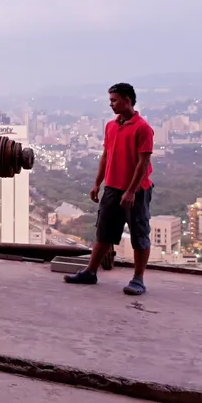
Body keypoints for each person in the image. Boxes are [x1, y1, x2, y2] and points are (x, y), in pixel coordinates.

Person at [65, 82, 154, 296]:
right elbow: (106, 156)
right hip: (112, 188)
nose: (111, 105)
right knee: (104, 232)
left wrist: (131, 191)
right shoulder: (111, 126)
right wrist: (98, 183)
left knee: (139, 235)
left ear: (127, 99)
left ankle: (138, 279)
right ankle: (90, 272)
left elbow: (143, 163)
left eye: (114, 100)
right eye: (110, 100)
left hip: (137, 190)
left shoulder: (142, 128)